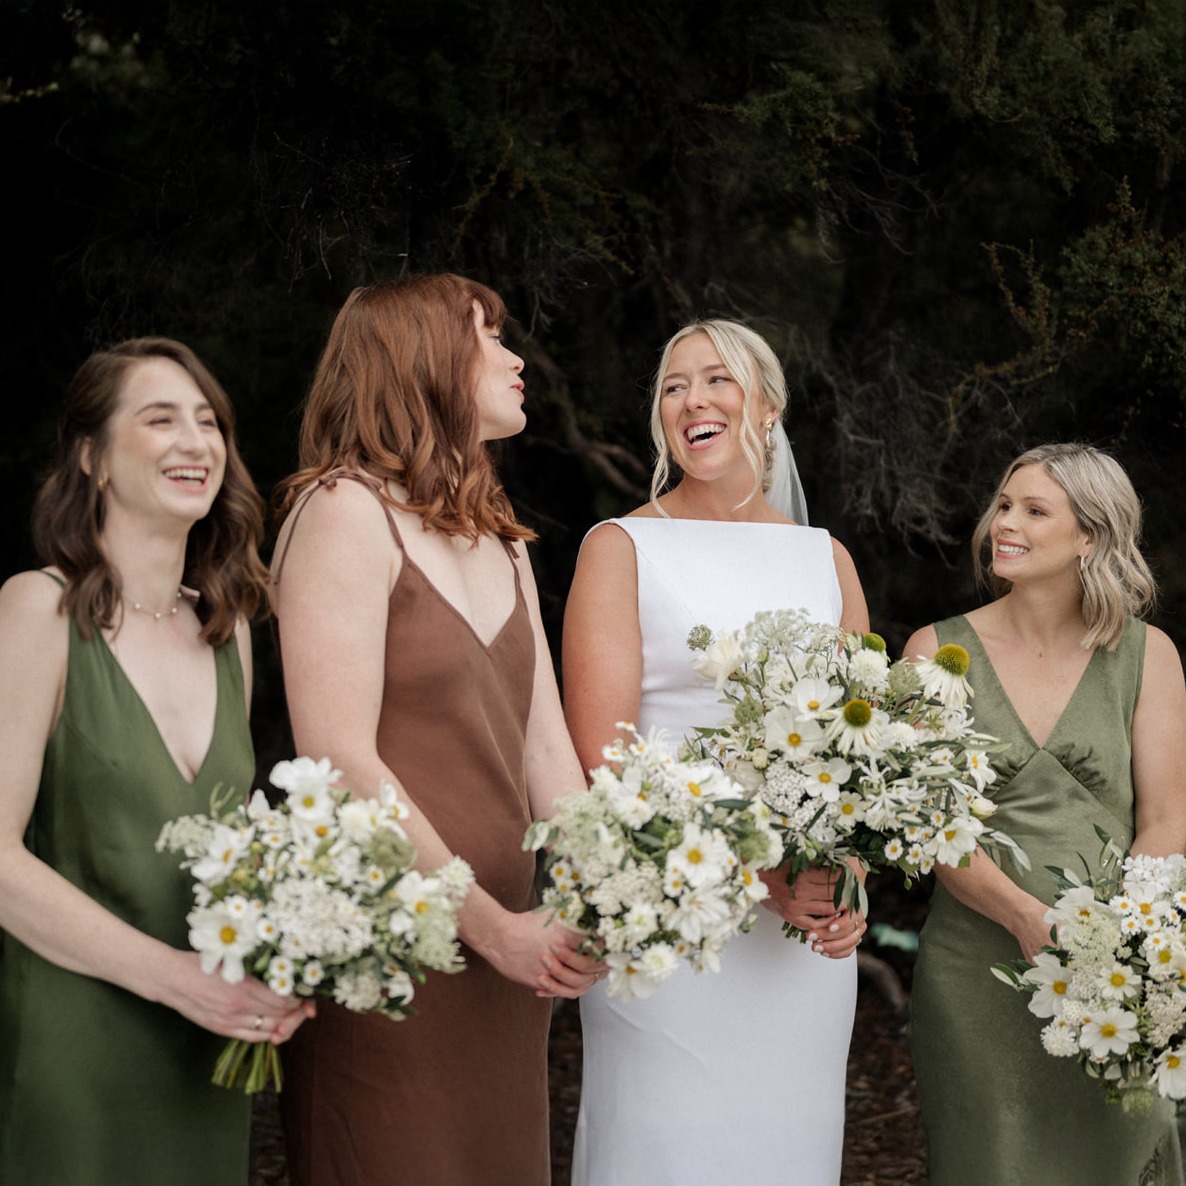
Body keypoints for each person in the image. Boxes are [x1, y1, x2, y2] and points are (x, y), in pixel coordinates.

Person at [270, 274, 602, 1186]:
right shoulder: (343, 512)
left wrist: (612, 896)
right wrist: (490, 927)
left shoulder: (502, 540)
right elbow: (337, 756)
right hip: (393, 950)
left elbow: (545, 756)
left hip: (511, 968)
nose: (514, 356)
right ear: (418, 360)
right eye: (486, 336)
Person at [562, 318, 870, 1186]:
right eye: (672, 386)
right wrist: (753, 878)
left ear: (767, 405)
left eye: (716, 380)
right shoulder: (620, 548)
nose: (692, 400)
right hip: (668, 922)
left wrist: (843, 875)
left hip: (800, 955)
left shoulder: (827, 559)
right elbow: (606, 764)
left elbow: (859, 755)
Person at [0, 338, 311, 1186]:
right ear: (91, 458)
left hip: (206, 1056)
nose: (196, 442)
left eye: (209, 422)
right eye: (160, 418)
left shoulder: (229, 631)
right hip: (74, 1054)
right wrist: (177, 980)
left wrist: (285, 949)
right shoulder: (38, 609)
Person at [907, 443, 1186, 1185]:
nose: (1007, 523)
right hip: (976, 970)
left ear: (1090, 535)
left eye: (1035, 511)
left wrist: (1123, 947)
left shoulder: (1146, 655)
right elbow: (933, 825)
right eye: (1005, 505)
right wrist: (1026, 917)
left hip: (1114, 978)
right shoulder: (934, 653)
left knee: (1122, 1160)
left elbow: (1164, 817)